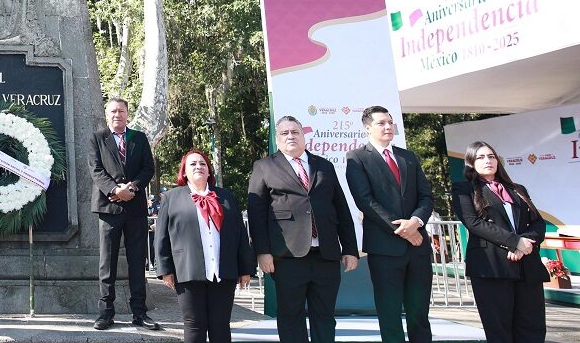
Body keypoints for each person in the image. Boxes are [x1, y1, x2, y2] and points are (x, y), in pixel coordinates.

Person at [247, 115, 359, 343]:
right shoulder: (264, 166)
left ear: (304, 136)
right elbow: (256, 214)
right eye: (285, 133)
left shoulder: (324, 165)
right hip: (287, 256)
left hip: (326, 256)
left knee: (325, 317)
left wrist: (350, 248)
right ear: (277, 140)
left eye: (295, 132)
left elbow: (341, 209)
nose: (291, 136)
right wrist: (262, 251)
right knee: (290, 316)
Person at [345, 105, 434, 343]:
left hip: (418, 248)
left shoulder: (408, 157)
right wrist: (403, 231)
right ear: (367, 128)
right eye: (381, 123)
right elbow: (366, 201)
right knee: (389, 314)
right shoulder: (357, 158)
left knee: (419, 314)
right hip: (385, 250)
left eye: (390, 122)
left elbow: (426, 196)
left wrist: (415, 222)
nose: (387, 127)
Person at [450, 141, 547, 343]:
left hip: (527, 265)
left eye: (491, 156)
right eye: (481, 157)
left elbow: (537, 222)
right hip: (491, 267)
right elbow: (473, 223)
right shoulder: (463, 189)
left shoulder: (517, 189)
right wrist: (513, 242)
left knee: (532, 327)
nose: (488, 161)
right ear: (470, 163)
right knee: (499, 329)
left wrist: (525, 242)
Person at [155, 150, 254, 343]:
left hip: (223, 271)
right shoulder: (171, 197)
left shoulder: (226, 197)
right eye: (192, 164)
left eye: (202, 164)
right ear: (184, 172)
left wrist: (245, 269)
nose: (198, 167)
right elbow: (162, 237)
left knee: (221, 325)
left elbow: (240, 234)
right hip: (188, 271)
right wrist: (165, 269)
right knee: (194, 325)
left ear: (209, 171)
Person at [89, 96, 159, 331]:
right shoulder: (97, 138)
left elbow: (148, 168)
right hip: (108, 208)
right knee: (106, 263)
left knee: (137, 261)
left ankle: (139, 313)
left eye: (121, 111)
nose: (117, 114)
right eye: (113, 111)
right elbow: (96, 170)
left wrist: (132, 188)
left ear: (127, 114)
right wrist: (115, 190)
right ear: (106, 114)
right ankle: (106, 313)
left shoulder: (139, 138)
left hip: (135, 208)